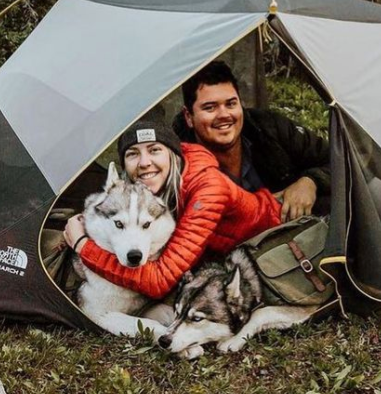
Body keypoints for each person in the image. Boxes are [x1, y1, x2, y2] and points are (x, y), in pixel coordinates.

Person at [63, 119, 280, 299]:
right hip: (217, 258)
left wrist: (83, 246)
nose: (144, 162)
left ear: (173, 155)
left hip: (272, 247)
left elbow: (160, 281)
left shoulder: (208, 190)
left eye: (154, 150)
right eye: (133, 154)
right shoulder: (156, 187)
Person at [174, 61, 330, 222]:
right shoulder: (175, 163)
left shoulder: (268, 127)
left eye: (231, 104)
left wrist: (311, 181)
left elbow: (337, 159)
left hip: (296, 232)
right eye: (210, 108)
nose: (224, 114)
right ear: (188, 116)